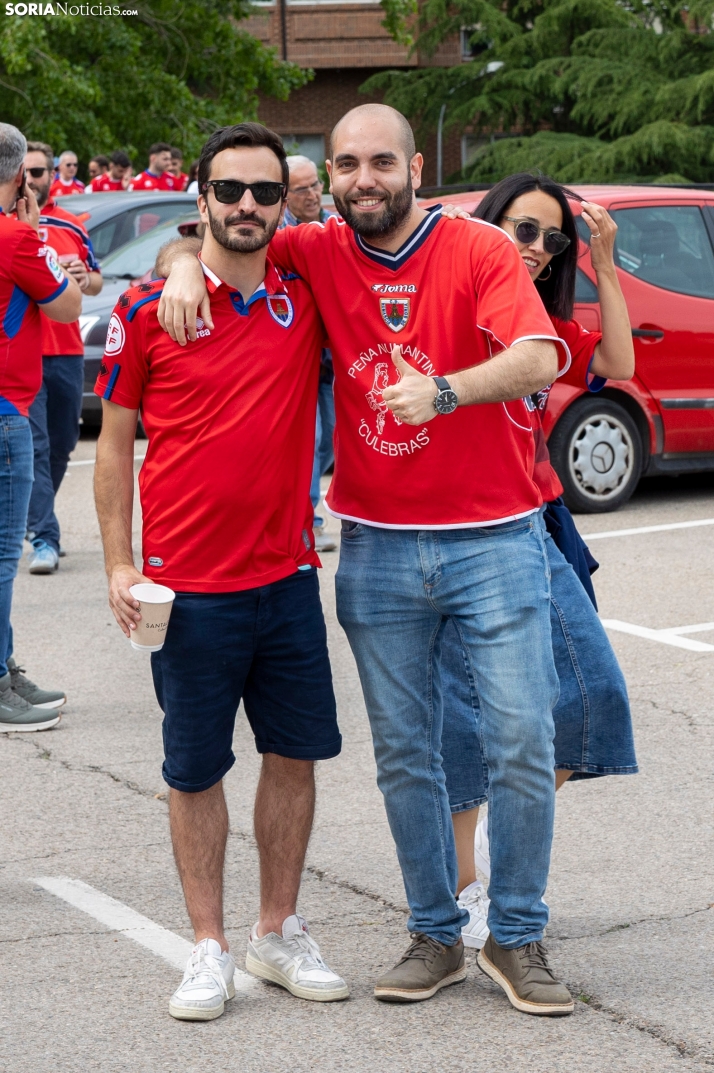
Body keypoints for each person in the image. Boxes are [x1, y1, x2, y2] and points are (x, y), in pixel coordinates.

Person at [157, 103, 576, 1015]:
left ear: (415, 166)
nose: (363, 179)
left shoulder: (478, 250)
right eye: (345, 165)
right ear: (332, 178)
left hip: (495, 536)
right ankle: (433, 931)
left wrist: (448, 390)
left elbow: (542, 354)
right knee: (404, 756)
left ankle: (515, 933)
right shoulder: (320, 250)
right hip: (377, 547)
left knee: (520, 740)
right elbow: (231, 232)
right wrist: (185, 259)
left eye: (380, 161)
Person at [94, 122, 348, 1022]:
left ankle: (275, 932)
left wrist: (188, 261)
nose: (247, 206)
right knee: (195, 769)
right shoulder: (149, 312)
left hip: (284, 582)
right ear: (199, 198)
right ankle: (208, 946)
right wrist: (120, 562)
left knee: (294, 756)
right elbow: (115, 441)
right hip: (189, 591)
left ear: (286, 202)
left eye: (264, 192)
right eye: (229, 190)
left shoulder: (305, 291)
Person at [436, 175, 637, 952]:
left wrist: (606, 263)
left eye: (552, 240)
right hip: (444, 526)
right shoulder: (447, 301)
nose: (537, 249)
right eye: (524, 229)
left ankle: (492, 860)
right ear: (490, 226)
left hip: (533, 521)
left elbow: (616, 360)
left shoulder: (547, 327)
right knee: (457, 710)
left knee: (589, 695)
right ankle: (460, 891)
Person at [0, 123, 81, 730]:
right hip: (5, 412)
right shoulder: (14, 237)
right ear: (17, 174)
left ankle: (3, 667)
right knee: (4, 559)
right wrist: (31, 236)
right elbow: (66, 305)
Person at [23, 142, 103, 575]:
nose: (33, 180)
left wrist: (81, 276)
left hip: (67, 349)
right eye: (27, 172)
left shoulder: (71, 223)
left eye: (40, 172)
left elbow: (95, 280)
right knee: (33, 445)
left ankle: (36, 521)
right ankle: (45, 537)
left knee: (62, 444)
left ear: (53, 173)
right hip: (22, 352)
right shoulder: (9, 225)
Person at [282, 156, 337, 552]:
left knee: (329, 439)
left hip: (334, 362)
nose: (313, 194)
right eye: (302, 189)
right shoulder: (276, 236)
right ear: (284, 195)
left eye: (316, 184)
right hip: (297, 361)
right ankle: (310, 520)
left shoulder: (337, 228)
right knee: (310, 436)